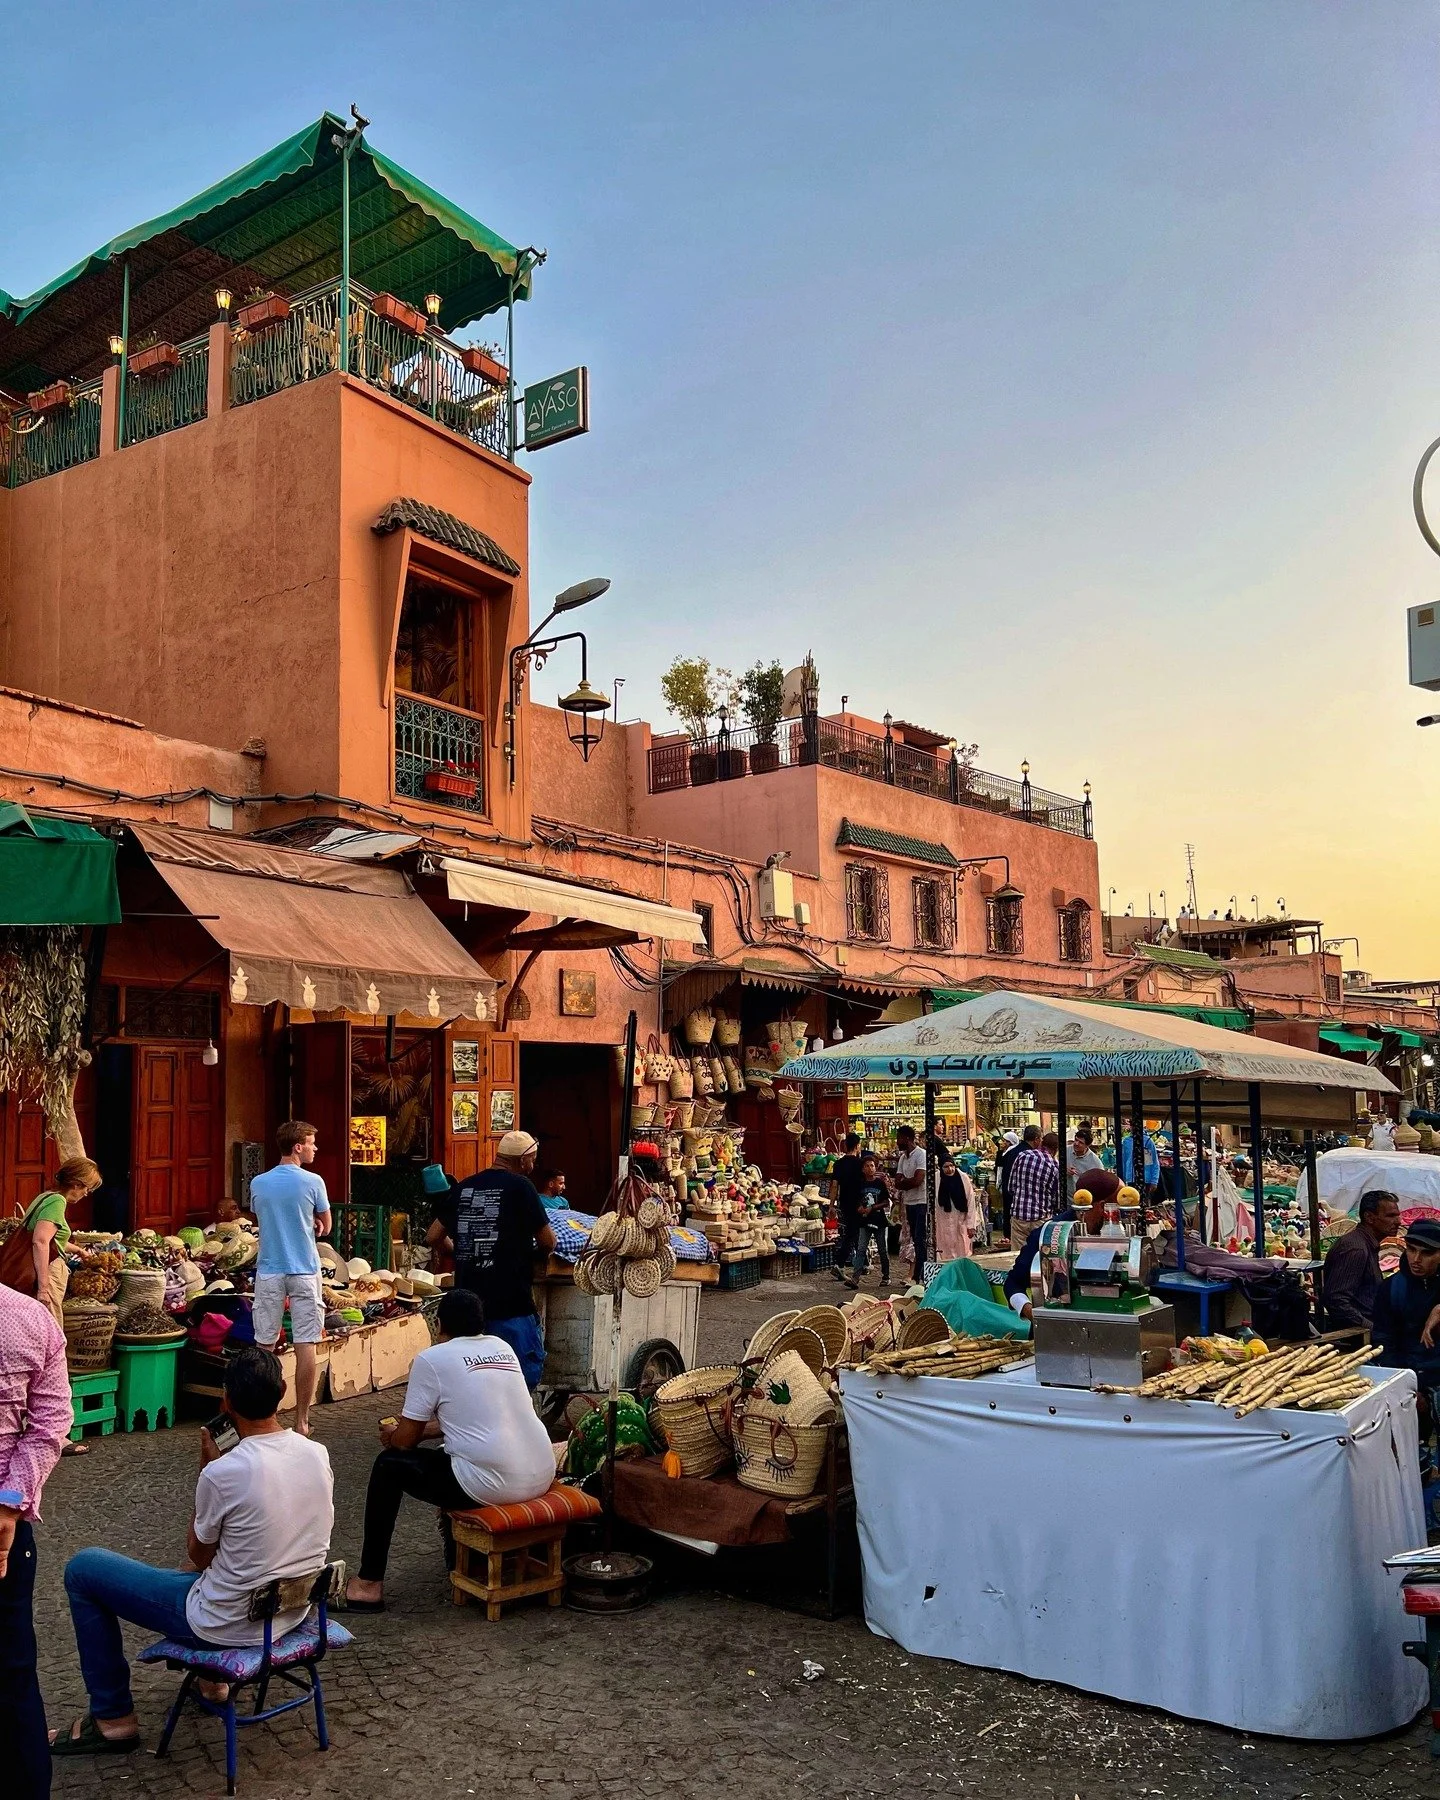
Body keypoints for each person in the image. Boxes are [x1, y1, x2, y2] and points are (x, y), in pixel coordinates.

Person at [52, 1347, 333, 1759]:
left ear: (226, 1402)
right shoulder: (316, 1453)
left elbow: (199, 1555)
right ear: (284, 1392)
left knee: (84, 1569)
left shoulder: (224, 1472)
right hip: (292, 1610)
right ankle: (211, 1679)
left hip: (227, 1623)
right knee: (197, 1573)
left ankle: (112, 1718)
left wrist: (206, 1469)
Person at [343, 1289, 556, 1610]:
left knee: (388, 1465)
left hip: (495, 1483)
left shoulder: (432, 1359)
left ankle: (368, 1585)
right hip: (541, 1470)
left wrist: (395, 1433)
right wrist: (418, 1430)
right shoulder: (502, 1348)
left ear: (438, 1324)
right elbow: (472, 1416)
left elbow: (404, 1443)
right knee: (445, 1454)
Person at [0, 1281, 72, 1798]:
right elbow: (52, 1422)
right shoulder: (31, 1318)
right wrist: (9, 1502)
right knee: (13, 1675)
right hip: (6, 1533)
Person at [431, 1130, 557, 1389]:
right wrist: (536, 1258)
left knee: (471, 1379)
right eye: (532, 1160)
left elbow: (433, 1236)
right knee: (518, 1378)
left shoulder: (465, 1186)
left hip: (467, 1304)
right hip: (511, 1303)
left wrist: (461, 1252)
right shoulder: (521, 1186)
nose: (533, 1166)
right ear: (522, 1160)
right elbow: (549, 1241)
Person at [246, 1121, 331, 1438]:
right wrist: (313, 1224)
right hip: (305, 1270)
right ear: (298, 1146)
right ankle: (302, 1420)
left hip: (269, 1269)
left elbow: (261, 1215)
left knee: (264, 1346)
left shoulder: (258, 1182)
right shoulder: (313, 1182)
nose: (314, 1148)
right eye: (311, 1143)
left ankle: (262, 1417)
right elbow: (326, 1224)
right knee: (305, 1343)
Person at [2, 1158, 103, 1328]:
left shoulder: (46, 1196)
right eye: (87, 1187)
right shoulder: (57, 1202)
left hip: (41, 1267)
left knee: (38, 1327)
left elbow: (51, 1241)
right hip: (47, 1270)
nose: (86, 1193)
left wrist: (78, 1250)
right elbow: (40, 1242)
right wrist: (43, 1288)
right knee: (52, 1329)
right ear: (77, 1184)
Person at [1004, 1170, 1119, 1309]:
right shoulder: (1047, 1235)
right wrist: (1030, 1312)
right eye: (1118, 1206)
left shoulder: (1118, 1232)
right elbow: (1012, 1283)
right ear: (1103, 1207)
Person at [1374, 1218, 1440, 1400]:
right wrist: (1404, 1387)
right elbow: (1384, 1341)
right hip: (1411, 1377)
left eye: (1427, 1253)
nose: (1416, 1260)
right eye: (1411, 1250)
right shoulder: (1392, 1288)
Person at [1322, 1190, 1401, 1332]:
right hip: (1358, 1335)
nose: (1398, 1222)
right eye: (1391, 1216)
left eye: (1397, 1216)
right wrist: (1373, 1329)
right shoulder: (1355, 1249)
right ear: (1369, 1217)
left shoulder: (1366, 1244)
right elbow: (1336, 1301)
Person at [846, 1153, 892, 1288]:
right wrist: (860, 1208)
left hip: (879, 1220)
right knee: (861, 1249)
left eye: (872, 1165)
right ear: (863, 1169)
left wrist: (872, 1208)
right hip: (864, 1221)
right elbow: (856, 1202)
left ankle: (886, 1276)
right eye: (867, 1166)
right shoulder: (859, 1185)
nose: (870, 1168)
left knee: (883, 1249)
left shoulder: (880, 1184)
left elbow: (886, 1202)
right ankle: (855, 1278)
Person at [1007, 1127, 1059, 1240]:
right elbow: (1056, 1199)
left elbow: (1011, 1187)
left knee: (1017, 1254)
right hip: (1041, 1219)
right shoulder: (1054, 1166)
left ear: (1042, 1143)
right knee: (1038, 1254)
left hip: (1019, 1216)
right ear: (1056, 1150)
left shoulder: (1023, 1156)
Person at [829, 1133, 866, 1283]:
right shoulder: (861, 1164)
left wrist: (831, 1205)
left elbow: (834, 1186)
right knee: (852, 1233)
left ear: (845, 1146)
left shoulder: (838, 1164)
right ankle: (840, 1263)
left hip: (844, 1202)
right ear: (857, 1146)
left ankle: (863, 1263)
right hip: (859, 1204)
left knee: (855, 1232)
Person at [894, 1125, 928, 1275]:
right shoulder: (903, 1158)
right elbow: (897, 1181)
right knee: (915, 1238)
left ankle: (920, 1273)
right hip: (909, 1202)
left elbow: (918, 1180)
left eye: (899, 1138)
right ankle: (919, 1273)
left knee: (921, 1239)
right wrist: (908, 1182)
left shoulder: (921, 1155)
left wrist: (905, 1182)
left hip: (921, 1201)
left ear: (907, 1138)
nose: (897, 1141)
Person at [995, 1128, 1025, 1238]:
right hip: (1005, 1184)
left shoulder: (1013, 1153)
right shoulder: (1003, 1153)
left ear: (1010, 1142)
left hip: (1010, 1187)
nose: (1001, 1143)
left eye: (1004, 1141)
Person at [1067, 1128, 1103, 1202]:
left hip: (1083, 1201)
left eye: (1080, 1142)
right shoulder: (1066, 1151)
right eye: (1076, 1140)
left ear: (1087, 1145)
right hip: (1066, 1199)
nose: (1076, 1143)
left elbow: (1100, 1183)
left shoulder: (1095, 1162)